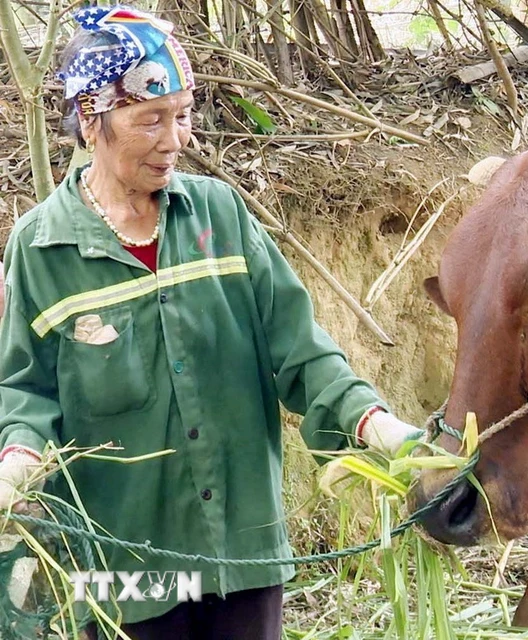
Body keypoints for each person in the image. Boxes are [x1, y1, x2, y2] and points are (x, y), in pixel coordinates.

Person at [0, 5, 423, 638]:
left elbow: (298, 349)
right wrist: (16, 463)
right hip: (124, 568)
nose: (175, 140)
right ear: (91, 120)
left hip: (242, 550)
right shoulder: (41, 249)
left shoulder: (219, 217)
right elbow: (27, 389)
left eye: (183, 115)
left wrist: (379, 426)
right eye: (151, 120)